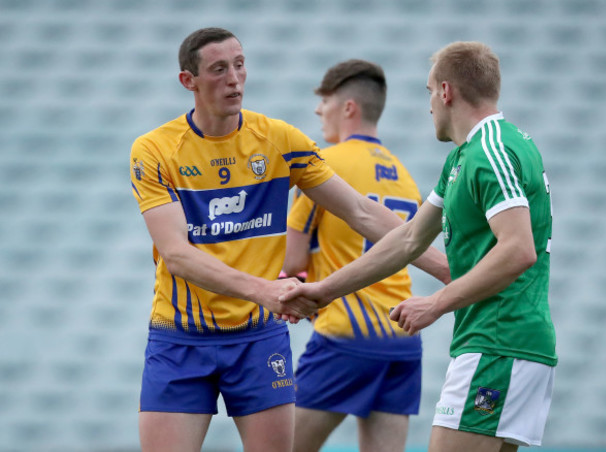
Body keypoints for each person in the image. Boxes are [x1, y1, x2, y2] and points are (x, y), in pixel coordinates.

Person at [129, 27, 449, 452]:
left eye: (240, 65)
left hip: (259, 336)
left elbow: (361, 212)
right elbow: (177, 255)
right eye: (219, 69)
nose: (235, 79)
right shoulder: (154, 150)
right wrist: (266, 290)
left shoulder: (280, 140)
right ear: (189, 81)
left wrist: (451, 272)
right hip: (181, 337)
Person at [281, 41, 556, 452]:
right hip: (479, 340)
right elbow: (407, 239)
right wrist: (322, 291)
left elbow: (518, 250)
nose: (428, 104)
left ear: (446, 92)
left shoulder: (492, 150)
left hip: (496, 340)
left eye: (429, 91)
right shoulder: (462, 158)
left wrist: (437, 302)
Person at [282, 59, 450, 452]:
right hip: (403, 337)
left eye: (323, 102)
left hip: (346, 335)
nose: (317, 111)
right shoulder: (403, 174)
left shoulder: (321, 167)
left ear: (348, 108)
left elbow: (292, 265)